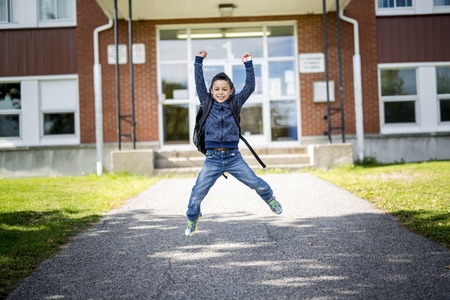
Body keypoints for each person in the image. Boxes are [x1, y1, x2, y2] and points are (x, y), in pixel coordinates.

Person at [184, 50, 283, 237]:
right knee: (198, 192)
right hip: (212, 159)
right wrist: (198, 61)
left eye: (224, 89)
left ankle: (270, 199)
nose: (220, 93)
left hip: (233, 157)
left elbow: (250, 87)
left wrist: (248, 65)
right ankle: (192, 218)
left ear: (231, 92)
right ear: (211, 91)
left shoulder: (235, 103)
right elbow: (198, 81)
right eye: (216, 89)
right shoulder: (206, 102)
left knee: (256, 183)